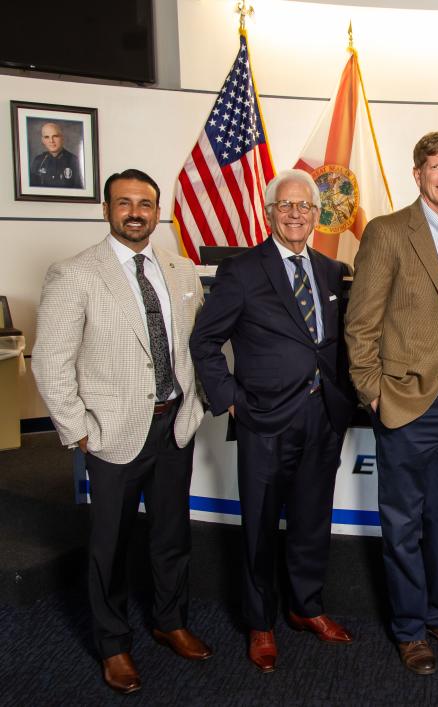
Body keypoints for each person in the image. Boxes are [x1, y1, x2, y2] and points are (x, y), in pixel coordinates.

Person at [32, 169, 209, 694]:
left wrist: (194, 406)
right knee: (108, 545)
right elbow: (50, 361)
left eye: (146, 204)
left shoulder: (180, 271)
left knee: (171, 536)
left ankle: (169, 620)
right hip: (111, 434)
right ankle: (113, 645)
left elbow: (193, 348)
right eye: (125, 203)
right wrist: (76, 429)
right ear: (106, 209)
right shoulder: (76, 273)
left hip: (173, 427)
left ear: (159, 212)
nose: (136, 212)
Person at [344, 131, 438, 675]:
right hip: (407, 400)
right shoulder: (388, 232)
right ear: (418, 174)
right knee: (403, 521)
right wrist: (374, 394)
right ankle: (409, 630)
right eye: (435, 166)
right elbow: (360, 324)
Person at [190, 170, 356, 673]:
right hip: (264, 418)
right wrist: (231, 400)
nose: (296, 214)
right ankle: (260, 622)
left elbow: (335, 344)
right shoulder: (241, 271)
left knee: (311, 519)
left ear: (316, 213)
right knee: (261, 525)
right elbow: (204, 342)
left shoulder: (331, 270)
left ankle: (306, 607)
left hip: (322, 415)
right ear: (269, 213)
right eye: (286, 206)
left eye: (305, 206)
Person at [29, 121, 83, 188]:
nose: (51, 141)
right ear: (42, 140)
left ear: (62, 138)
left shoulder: (75, 161)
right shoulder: (38, 161)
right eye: (46, 137)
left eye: (55, 136)